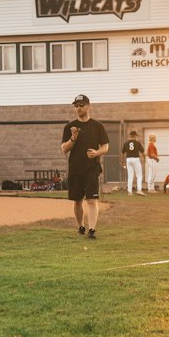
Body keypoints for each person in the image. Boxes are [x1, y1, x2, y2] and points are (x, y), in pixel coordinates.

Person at [60, 93, 109, 240]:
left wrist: (97, 152)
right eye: (76, 106)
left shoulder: (97, 126)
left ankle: (92, 230)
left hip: (91, 169)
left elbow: (105, 146)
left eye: (81, 105)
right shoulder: (69, 127)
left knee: (92, 200)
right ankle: (81, 226)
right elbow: (64, 149)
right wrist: (73, 137)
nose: (78, 108)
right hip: (75, 168)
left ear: (88, 106)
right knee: (77, 201)